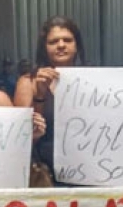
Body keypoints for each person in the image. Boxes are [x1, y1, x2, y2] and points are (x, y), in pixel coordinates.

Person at [13, 16, 86, 185]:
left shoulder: (90, 81)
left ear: (77, 45)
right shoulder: (28, 82)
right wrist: (40, 96)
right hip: (46, 177)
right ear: (44, 47)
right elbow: (23, 138)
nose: (61, 45)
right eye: (53, 42)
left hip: (86, 173)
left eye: (67, 40)